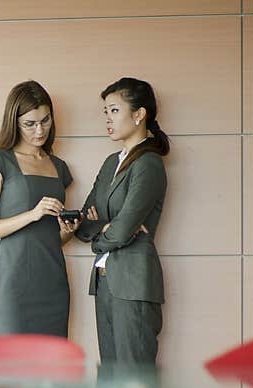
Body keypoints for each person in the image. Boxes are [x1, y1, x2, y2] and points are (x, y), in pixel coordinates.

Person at [0, 80, 80, 388]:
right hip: (14, 289)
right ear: (14, 122)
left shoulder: (59, 167)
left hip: (53, 287)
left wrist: (67, 229)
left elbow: (53, 238)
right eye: (30, 123)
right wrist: (32, 215)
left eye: (46, 121)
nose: (40, 131)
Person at [76, 77, 171, 368]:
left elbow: (122, 229)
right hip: (104, 282)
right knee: (111, 376)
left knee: (135, 379)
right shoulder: (110, 163)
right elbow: (83, 222)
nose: (108, 118)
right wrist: (104, 228)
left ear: (139, 114)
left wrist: (108, 230)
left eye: (114, 110)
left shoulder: (149, 164)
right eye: (106, 111)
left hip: (133, 283)